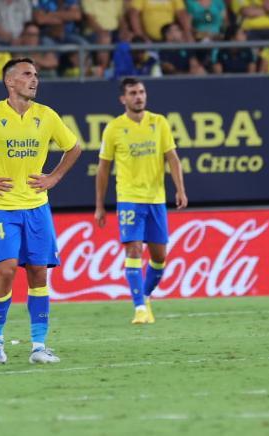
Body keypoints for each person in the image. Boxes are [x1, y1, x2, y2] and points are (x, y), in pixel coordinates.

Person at [0, 58, 81, 364]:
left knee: (37, 273)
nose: (35, 80)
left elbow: (73, 148)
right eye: (27, 74)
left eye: (36, 75)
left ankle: (38, 346)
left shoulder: (46, 116)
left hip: (37, 207)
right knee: (6, 270)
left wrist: (54, 177)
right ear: (10, 82)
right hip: (3, 207)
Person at [94, 77, 187, 324]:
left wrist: (180, 189)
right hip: (129, 199)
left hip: (156, 199)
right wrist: (100, 205)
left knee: (159, 258)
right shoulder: (113, 128)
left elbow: (173, 159)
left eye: (142, 92)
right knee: (134, 250)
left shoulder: (159, 123)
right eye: (133, 93)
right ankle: (139, 309)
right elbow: (103, 169)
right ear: (123, 99)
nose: (139, 96)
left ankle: (145, 296)